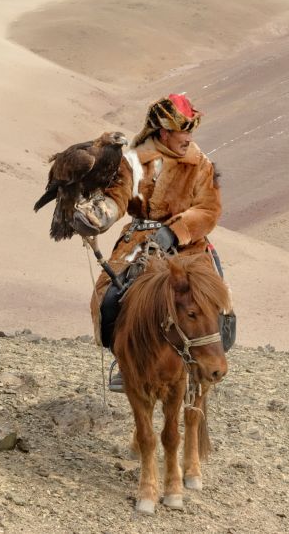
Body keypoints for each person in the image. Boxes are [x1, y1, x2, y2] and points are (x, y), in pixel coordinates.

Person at [73, 93, 222, 391]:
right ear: (164, 132)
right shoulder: (133, 162)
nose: (189, 138)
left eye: (191, 131)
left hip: (190, 244)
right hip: (141, 241)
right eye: (184, 131)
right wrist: (97, 217)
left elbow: (209, 209)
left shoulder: (201, 164)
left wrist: (175, 231)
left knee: (219, 302)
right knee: (111, 300)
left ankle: (210, 357)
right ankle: (125, 359)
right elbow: (118, 197)